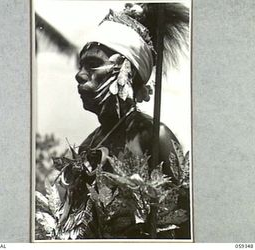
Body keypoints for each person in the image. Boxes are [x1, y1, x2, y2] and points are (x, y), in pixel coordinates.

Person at [61, 4, 190, 239]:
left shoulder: (154, 136)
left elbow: (184, 226)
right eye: (81, 66)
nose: (79, 75)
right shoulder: (87, 145)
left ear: (126, 70)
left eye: (92, 64)